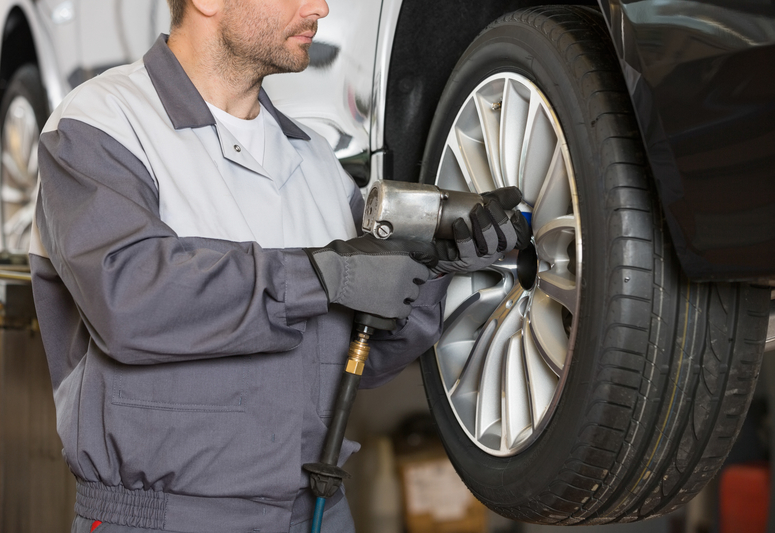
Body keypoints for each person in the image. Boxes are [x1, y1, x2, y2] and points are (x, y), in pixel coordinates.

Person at [28, 1, 528, 532]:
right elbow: (128, 299)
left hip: (315, 510)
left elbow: (364, 359)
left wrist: (437, 268)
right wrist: (321, 275)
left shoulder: (313, 161)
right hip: (166, 516)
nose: (321, 7)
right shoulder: (103, 123)